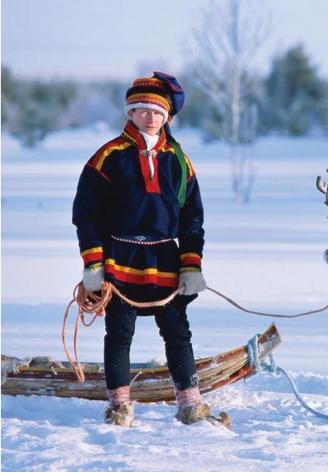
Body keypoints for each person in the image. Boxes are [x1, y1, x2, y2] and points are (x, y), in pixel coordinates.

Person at [72, 72, 211, 426]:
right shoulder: (108, 156)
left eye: (157, 112)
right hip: (120, 258)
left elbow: (193, 216)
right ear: (130, 113)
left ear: (167, 117)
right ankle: (119, 405)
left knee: (178, 330)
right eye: (142, 110)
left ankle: (190, 403)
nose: (150, 117)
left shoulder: (179, 161)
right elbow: (85, 214)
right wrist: (93, 265)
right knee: (119, 332)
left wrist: (191, 265)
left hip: (166, 258)